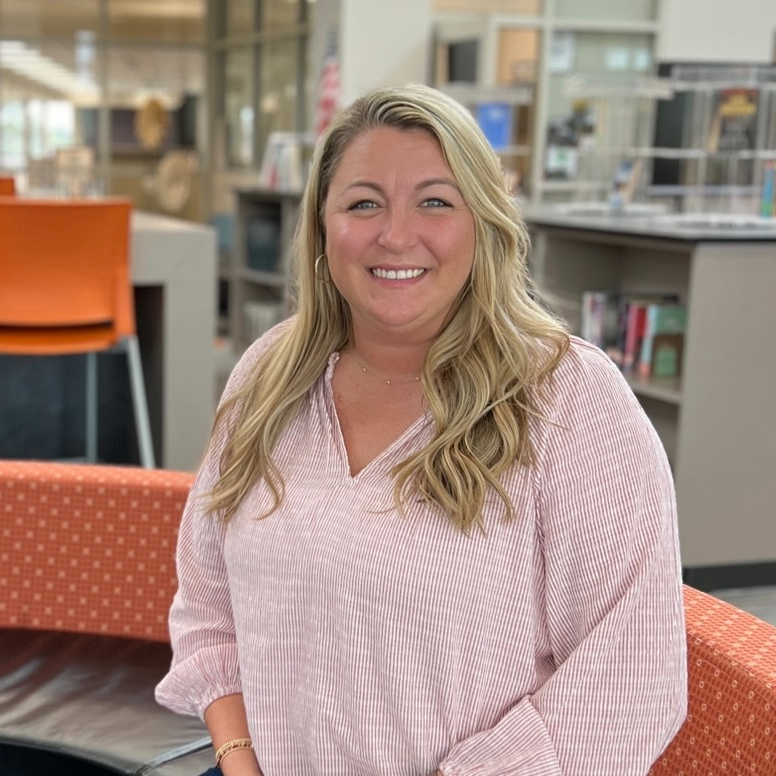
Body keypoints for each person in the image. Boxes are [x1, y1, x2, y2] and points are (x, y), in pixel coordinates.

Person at [155, 83, 687, 776]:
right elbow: (208, 605)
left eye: (435, 201)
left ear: (483, 222)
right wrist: (238, 757)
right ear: (322, 227)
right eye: (363, 203)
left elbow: (632, 681)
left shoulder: (568, 400)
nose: (396, 235)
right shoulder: (270, 374)